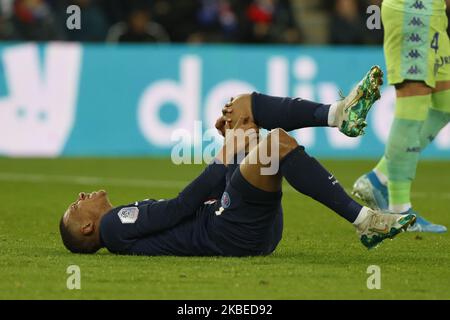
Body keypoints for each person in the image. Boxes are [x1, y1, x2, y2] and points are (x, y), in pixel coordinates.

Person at [59, 66, 416, 256]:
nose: (79, 199)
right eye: (75, 209)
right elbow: (181, 207)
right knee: (277, 143)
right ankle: (364, 221)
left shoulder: (120, 228)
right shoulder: (115, 227)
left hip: (236, 221)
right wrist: (225, 156)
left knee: (241, 107)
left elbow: (191, 205)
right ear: (89, 229)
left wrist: (229, 144)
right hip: (230, 230)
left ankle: (339, 114)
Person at [352, 0, 449, 233]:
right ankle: (399, 210)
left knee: (445, 103)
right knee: (412, 105)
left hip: (435, 14)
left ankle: (379, 177)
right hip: (413, 11)